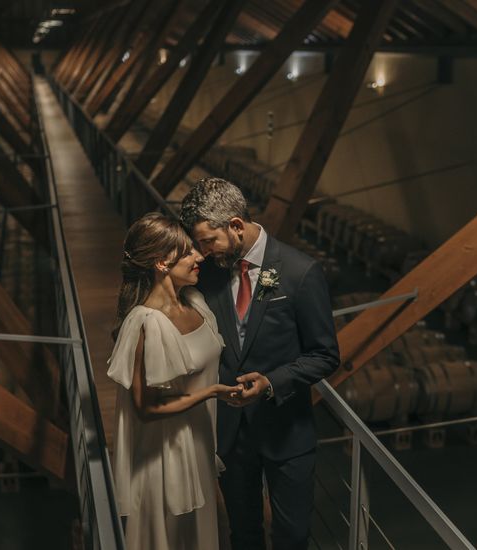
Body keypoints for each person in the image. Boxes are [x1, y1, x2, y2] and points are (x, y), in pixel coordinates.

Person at [180, 178, 340, 550]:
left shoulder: (300, 272)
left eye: (208, 241)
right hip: (232, 437)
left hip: (287, 432)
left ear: (236, 225)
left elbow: (325, 355)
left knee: (292, 537)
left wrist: (271, 382)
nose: (203, 252)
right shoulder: (213, 273)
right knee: (244, 535)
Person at [106, 212, 240, 549]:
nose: (199, 257)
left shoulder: (196, 303)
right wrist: (211, 392)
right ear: (161, 263)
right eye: (187, 252)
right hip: (164, 462)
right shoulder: (145, 323)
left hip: (200, 446)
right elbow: (146, 408)